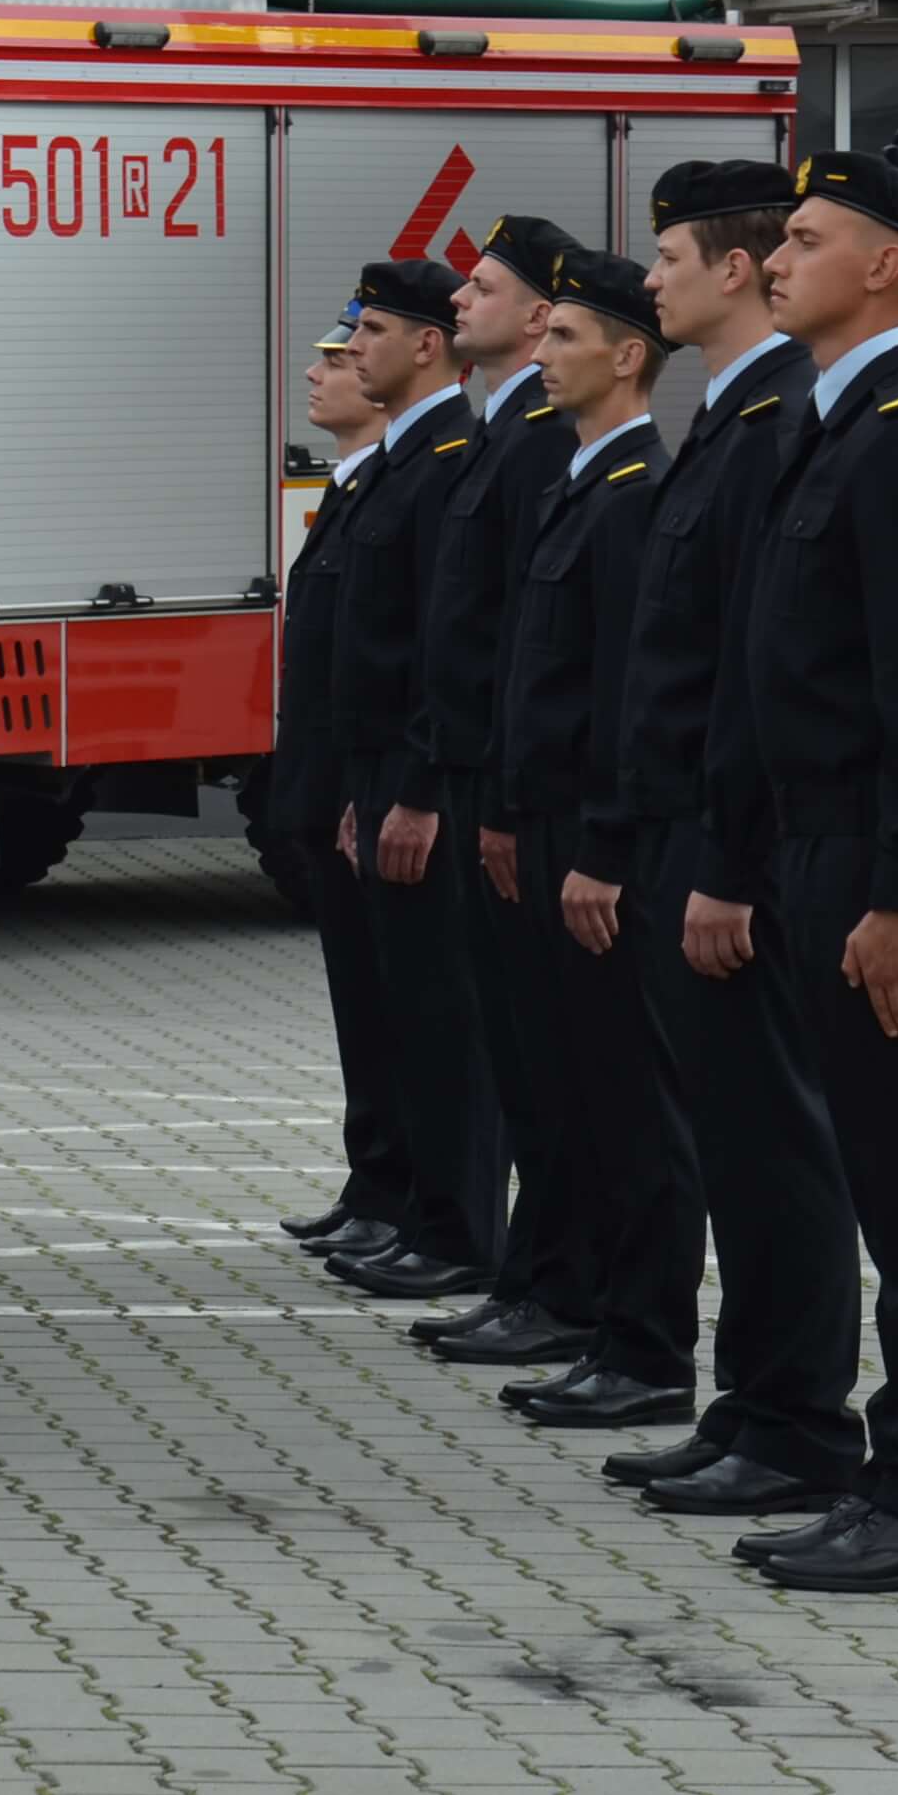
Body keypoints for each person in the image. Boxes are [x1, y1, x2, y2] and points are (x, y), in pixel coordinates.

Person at [730, 151, 898, 1596]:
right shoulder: (831, 420)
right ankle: (891, 1485)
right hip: (821, 851)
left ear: (885, 266)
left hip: (882, 869)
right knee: (877, 1170)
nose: (776, 258)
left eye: (805, 237)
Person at [604, 162, 861, 1520]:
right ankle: (751, 1402)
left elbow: (755, 673)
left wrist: (722, 862)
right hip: (678, 832)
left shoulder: (777, 421)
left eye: (668, 257)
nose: (649, 281)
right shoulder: (732, 410)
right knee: (734, 1141)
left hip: (725, 849)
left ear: (738, 270)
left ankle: (800, 1423)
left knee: (772, 1146)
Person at [481, 247, 684, 1432]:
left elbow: (624, 701)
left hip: (597, 837)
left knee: (630, 1105)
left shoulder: (633, 494)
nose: (540, 357)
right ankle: (604, 1322)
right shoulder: (577, 483)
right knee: (574, 1090)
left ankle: (648, 1344)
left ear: (626, 356)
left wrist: (603, 848)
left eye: (563, 339)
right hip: (552, 823)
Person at [414, 216, 599, 1371]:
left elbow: (529, 635)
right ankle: (538, 1277)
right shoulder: (514, 428)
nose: (459, 304)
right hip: (492, 776)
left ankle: (562, 1287)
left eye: (481, 289)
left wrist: (487, 790)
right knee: (527, 1055)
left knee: (557, 1062)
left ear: (540, 318)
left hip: (523, 788)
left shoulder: (542, 438)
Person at [312, 257, 500, 1297]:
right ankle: (411, 1209)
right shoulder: (405, 464)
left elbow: (447, 648)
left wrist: (420, 786)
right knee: (399, 1010)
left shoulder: (445, 462)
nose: (352, 352)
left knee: (442, 1015)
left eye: (371, 332)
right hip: (379, 771)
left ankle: (456, 1227)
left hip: (419, 776)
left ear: (426, 347)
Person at [270, 307, 413, 1253]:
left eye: (342, 356)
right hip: (332, 790)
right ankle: (375, 1184)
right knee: (362, 1009)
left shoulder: (406, 483)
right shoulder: (354, 485)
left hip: (367, 790)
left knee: (398, 1011)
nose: (325, 372)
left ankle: (408, 1197)